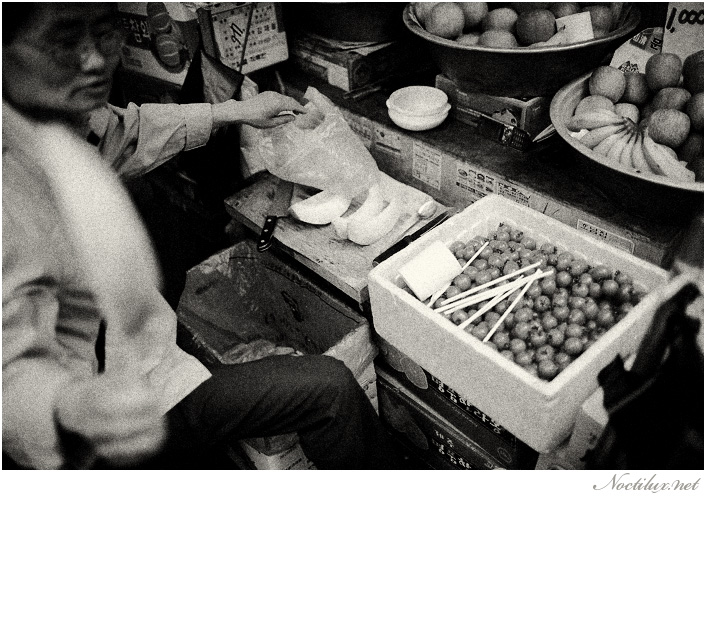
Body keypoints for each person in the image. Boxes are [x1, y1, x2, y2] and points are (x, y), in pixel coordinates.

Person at [2, 2, 401, 470]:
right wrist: (66, 406)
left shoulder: (60, 119)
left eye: (105, 32)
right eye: (63, 40)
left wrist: (238, 111)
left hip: (140, 352)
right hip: (102, 419)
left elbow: (128, 131)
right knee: (328, 389)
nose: (94, 60)